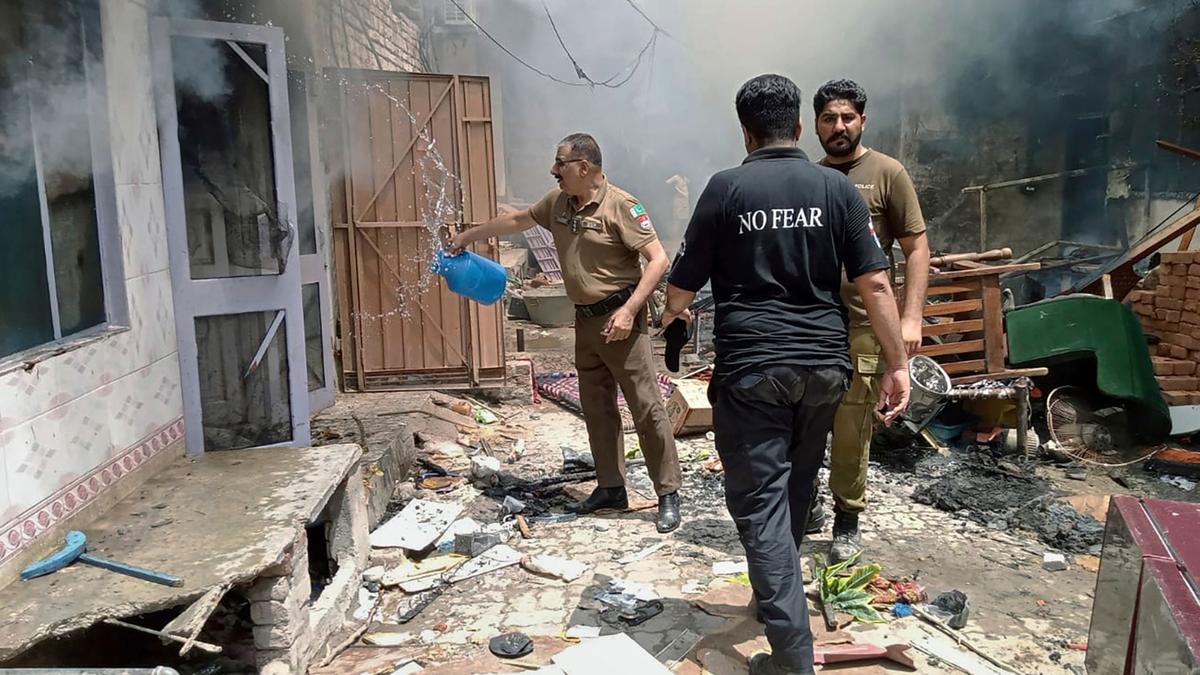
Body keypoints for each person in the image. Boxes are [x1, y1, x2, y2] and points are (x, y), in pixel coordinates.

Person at [661, 74, 910, 675]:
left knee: (760, 502)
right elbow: (876, 281)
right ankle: (774, 596)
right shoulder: (837, 188)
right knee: (796, 484)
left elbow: (682, 286)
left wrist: (672, 317)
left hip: (754, 371)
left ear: (745, 131)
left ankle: (792, 659)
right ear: (800, 127)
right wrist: (898, 363)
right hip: (826, 367)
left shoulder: (726, 189)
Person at [450, 133, 683, 533]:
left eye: (560, 163)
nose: (553, 170)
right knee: (597, 406)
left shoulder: (622, 206)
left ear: (584, 167)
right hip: (585, 321)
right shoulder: (558, 202)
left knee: (646, 408)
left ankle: (668, 494)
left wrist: (630, 311)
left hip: (621, 322)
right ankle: (611, 486)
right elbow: (518, 219)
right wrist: (470, 236)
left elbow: (659, 260)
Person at [811, 79, 931, 563]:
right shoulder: (810, 177)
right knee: (806, 420)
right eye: (828, 119)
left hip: (865, 321)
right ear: (813, 125)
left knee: (852, 423)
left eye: (847, 118)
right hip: (814, 320)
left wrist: (911, 316)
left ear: (862, 120)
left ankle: (847, 517)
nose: (838, 127)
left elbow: (917, 247)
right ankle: (804, 504)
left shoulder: (887, 173)